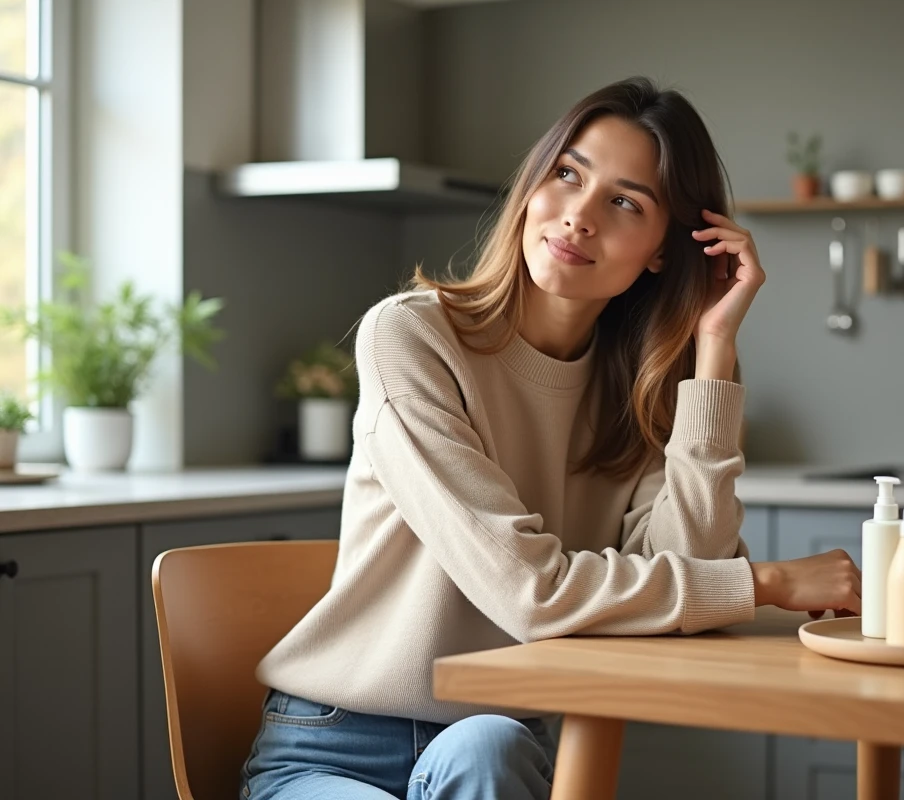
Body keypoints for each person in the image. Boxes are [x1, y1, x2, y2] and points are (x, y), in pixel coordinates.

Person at [240, 75, 861, 800]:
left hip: (496, 738)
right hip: (337, 744)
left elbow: (686, 575)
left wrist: (713, 349)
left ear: (666, 249)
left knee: (490, 743)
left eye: (625, 202)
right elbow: (529, 593)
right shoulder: (410, 337)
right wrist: (766, 582)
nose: (578, 217)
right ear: (533, 187)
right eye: (568, 174)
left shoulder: (643, 390)